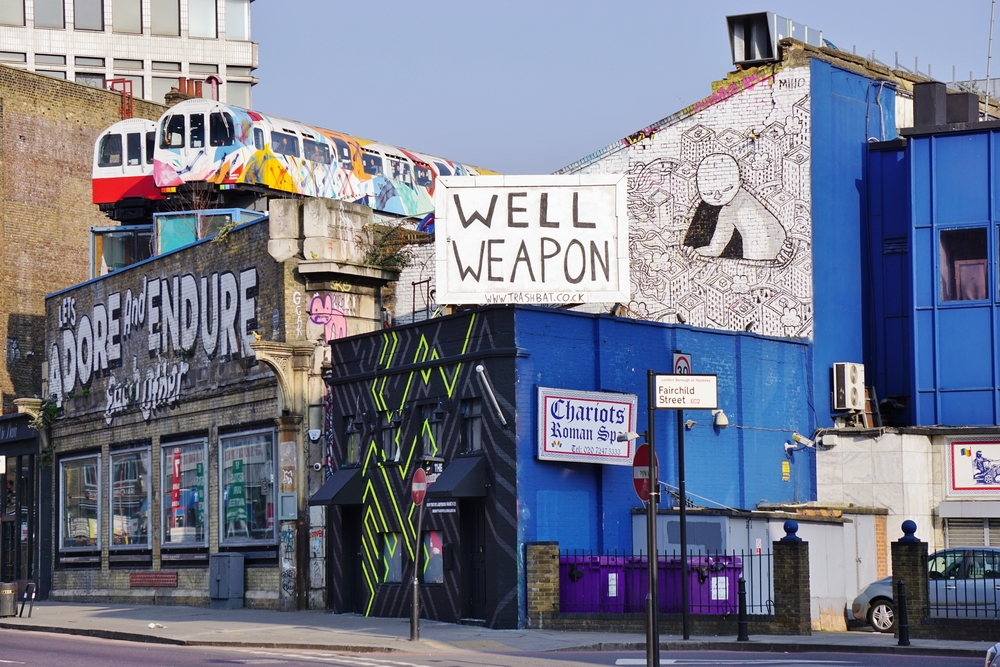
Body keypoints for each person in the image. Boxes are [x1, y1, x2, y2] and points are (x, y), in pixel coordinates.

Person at [684, 153, 786, 260]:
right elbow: (715, 248)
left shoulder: (730, 210)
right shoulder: (748, 199)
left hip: (758, 261)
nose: (717, 196)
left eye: (726, 189)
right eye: (708, 193)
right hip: (776, 254)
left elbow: (715, 249)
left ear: (740, 183)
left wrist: (695, 252)